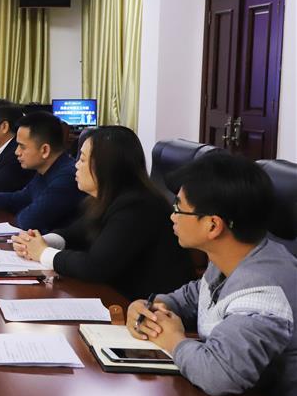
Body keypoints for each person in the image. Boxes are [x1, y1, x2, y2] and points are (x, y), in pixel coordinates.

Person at [126, 154, 296, 396]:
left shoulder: (264, 291)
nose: (172, 216)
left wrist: (172, 340)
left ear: (213, 225)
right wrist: (151, 307)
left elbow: (219, 374)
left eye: (179, 208)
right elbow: (193, 296)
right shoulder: (232, 258)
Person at [11, 126, 194, 300]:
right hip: (116, 295)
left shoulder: (137, 206)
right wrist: (39, 242)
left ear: (105, 166)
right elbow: (75, 233)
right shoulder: (107, 198)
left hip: (147, 307)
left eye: (82, 159)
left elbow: (95, 266)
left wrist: (43, 253)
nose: (76, 165)